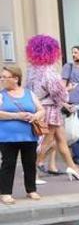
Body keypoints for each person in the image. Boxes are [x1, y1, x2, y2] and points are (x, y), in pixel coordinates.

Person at [26, 35, 79, 181]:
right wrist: (68, 91)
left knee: (61, 140)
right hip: (50, 110)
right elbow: (59, 94)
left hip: (39, 107)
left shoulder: (32, 70)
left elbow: (29, 90)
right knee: (46, 142)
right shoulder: (49, 72)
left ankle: (73, 168)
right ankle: (34, 168)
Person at [0, 66, 45, 204]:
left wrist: (35, 116)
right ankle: (5, 192)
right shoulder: (1, 94)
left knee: (30, 163)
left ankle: (31, 189)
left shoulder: (29, 93)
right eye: (1, 77)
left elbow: (41, 109)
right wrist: (16, 116)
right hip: (7, 137)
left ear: (15, 79)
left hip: (29, 135)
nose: (2, 79)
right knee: (8, 163)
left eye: (5, 77)